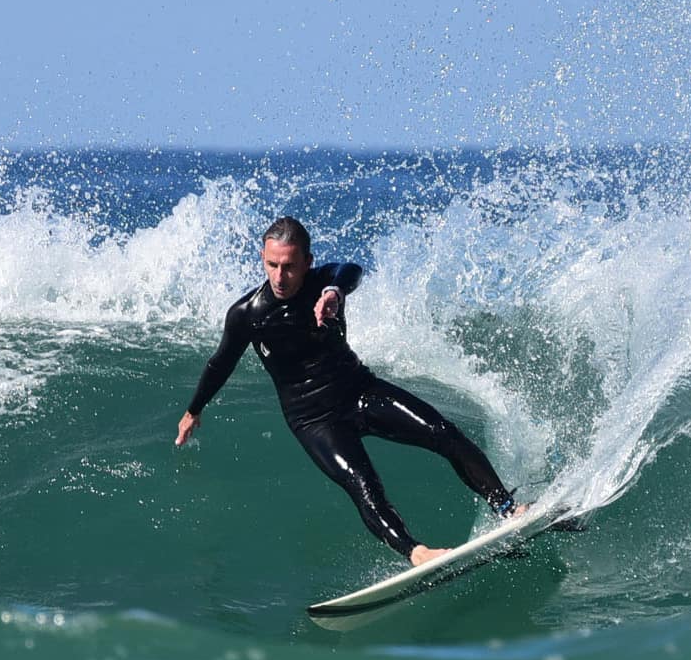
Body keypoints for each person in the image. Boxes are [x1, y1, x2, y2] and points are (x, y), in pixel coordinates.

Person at [175, 216, 523, 565]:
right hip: (313, 420)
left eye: (289, 266)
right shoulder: (247, 314)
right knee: (362, 483)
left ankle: (508, 508)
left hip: (359, 391)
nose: (280, 276)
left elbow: (351, 270)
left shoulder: (324, 283)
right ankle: (417, 553)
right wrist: (193, 410)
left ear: (307, 262)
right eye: (272, 265)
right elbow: (220, 364)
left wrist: (334, 293)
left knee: (442, 432)